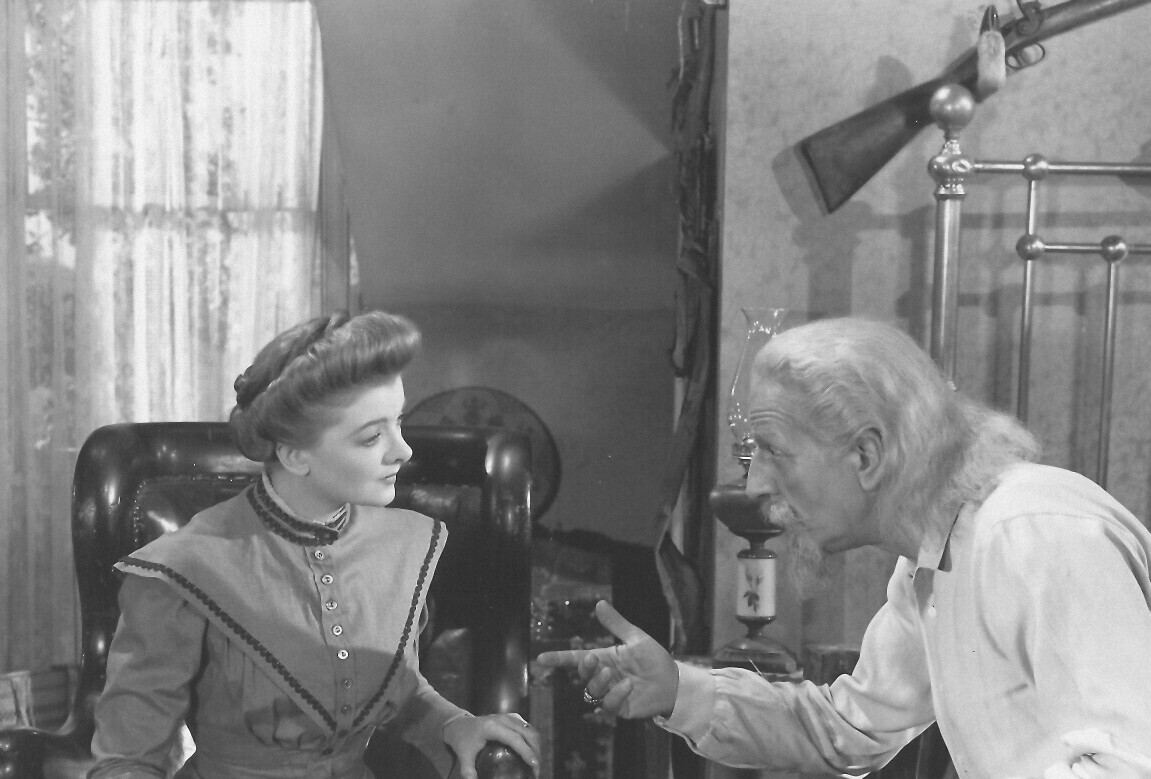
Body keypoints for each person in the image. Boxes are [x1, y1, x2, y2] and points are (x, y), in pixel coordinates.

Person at [537, 316, 1151, 777]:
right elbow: (849, 728)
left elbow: (1128, 763)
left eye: (774, 451)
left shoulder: (1032, 532)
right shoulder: (931, 561)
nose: (755, 486)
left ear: (866, 454)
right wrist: (676, 688)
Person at [89, 311, 541, 779]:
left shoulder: (403, 545)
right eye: (372, 436)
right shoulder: (183, 570)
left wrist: (454, 724)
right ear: (294, 454)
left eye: (398, 422)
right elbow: (127, 760)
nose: (403, 451)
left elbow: (398, 691)